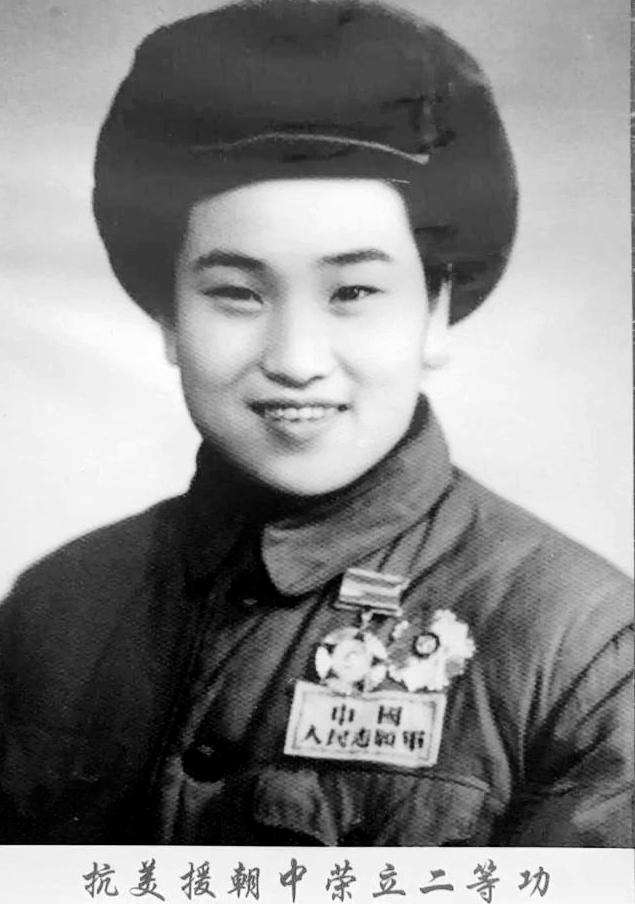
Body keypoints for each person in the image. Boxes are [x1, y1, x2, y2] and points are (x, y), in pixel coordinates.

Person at [0, 0, 631, 846]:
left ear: (435, 313)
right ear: (168, 318)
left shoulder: (583, 650)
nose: (295, 359)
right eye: (236, 294)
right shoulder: (54, 607)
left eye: (353, 292)